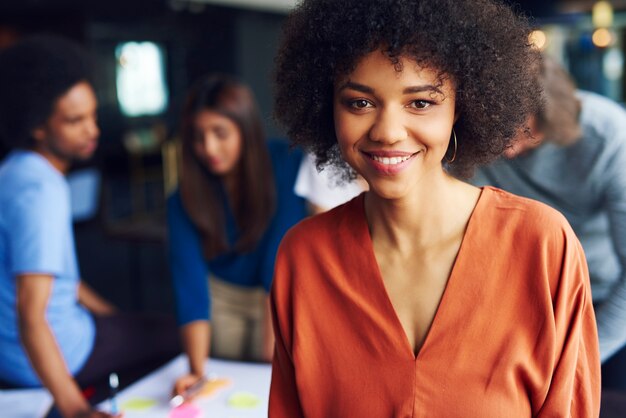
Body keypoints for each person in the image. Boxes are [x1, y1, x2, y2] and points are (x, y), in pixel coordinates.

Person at [269, 0, 601, 416]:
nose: (388, 132)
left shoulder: (541, 245)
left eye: (421, 103)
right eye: (359, 102)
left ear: (461, 106)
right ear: (326, 107)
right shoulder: (304, 257)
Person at [0, 35, 180, 418]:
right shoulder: (41, 191)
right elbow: (32, 314)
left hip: (12, 350)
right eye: (74, 120)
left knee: (130, 326)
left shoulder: (13, 170)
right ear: (36, 126)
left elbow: (58, 278)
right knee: (177, 333)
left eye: (93, 116)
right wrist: (75, 409)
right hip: (51, 354)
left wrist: (111, 316)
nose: (92, 130)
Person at [473, 56, 626, 388]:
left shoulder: (610, 136)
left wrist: (577, 355)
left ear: (550, 115)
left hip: (599, 297)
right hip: (517, 301)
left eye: (523, 131)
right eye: (496, 131)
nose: (507, 150)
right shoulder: (477, 143)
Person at [167, 74, 307, 397]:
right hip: (221, 295)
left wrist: (272, 365)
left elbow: (278, 264)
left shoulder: (286, 163)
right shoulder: (182, 197)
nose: (209, 148)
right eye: (198, 137)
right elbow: (190, 288)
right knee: (225, 387)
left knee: (273, 382)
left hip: (273, 291)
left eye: (220, 133)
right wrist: (196, 373)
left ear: (244, 129)